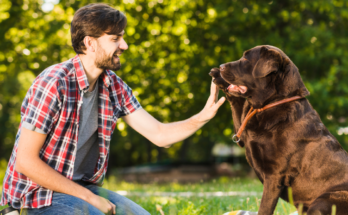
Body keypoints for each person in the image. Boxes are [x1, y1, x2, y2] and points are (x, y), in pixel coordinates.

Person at [0, 3, 225, 215]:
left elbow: (160, 135)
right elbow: (26, 161)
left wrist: (202, 117)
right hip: (37, 195)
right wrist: (89, 198)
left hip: (81, 188)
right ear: (90, 43)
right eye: (116, 39)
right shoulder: (54, 83)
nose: (124, 46)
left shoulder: (112, 85)